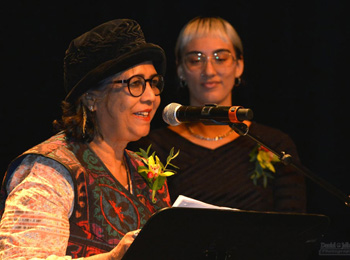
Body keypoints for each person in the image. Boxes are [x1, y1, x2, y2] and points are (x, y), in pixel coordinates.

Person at [0, 19, 173, 259]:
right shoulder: (51, 170)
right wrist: (112, 258)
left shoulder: (144, 171)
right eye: (135, 84)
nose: (151, 97)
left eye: (153, 83)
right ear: (91, 98)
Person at [128, 16, 306, 213]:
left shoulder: (274, 144)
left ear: (239, 65)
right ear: (180, 70)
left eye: (220, 58)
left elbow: (294, 228)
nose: (209, 70)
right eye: (196, 59)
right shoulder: (151, 148)